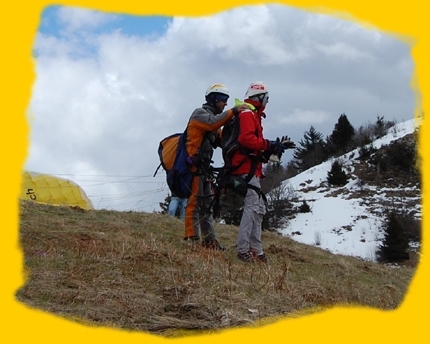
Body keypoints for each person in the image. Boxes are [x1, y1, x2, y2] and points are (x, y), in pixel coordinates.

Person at [230, 81, 292, 262]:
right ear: (261, 98)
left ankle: (256, 248)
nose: (267, 102)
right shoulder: (248, 114)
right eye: (267, 98)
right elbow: (247, 139)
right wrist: (269, 145)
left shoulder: (252, 115)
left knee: (259, 208)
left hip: (250, 166)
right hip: (245, 168)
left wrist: (269, 152)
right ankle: (244, 249)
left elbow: (251, 146)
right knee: (252, 209)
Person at [184, 83, 250, 250]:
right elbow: (212, 124)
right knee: (195, 202)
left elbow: (222, 141)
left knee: (207, 205)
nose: (225, 104)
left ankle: (210, 242)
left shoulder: (214, 121)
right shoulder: (200, 114)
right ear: (213, 99)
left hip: (204, 168)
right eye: (223, 100)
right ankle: (191, 239)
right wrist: (233, 112)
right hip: (193, 166)